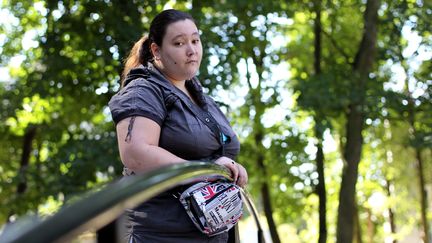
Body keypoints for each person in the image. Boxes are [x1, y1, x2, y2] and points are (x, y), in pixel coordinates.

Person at [108, 9, 248, 243]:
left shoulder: (204, 100)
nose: (192, 50)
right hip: (161, 234)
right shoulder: (143, 90)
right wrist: (206, 169)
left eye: (195, 40)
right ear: (156, 50)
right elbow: (135, 152)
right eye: (179, 43)